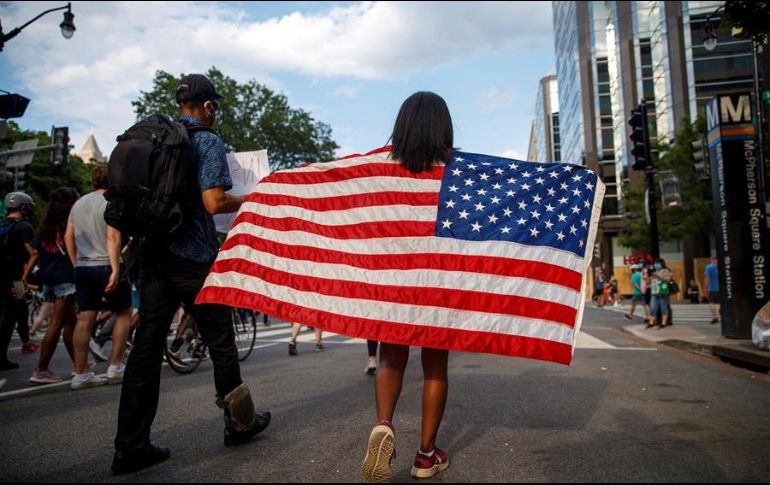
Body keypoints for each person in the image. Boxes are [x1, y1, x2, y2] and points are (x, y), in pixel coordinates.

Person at [112, 74, 270, 476]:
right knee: (220, 340)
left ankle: (130, 445)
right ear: (208, 107)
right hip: (193, 257)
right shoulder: (206, 141)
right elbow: (214, 202)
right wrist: (253, 197)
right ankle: (239, 423)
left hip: (153, 256)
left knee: (146, 347)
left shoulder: (159, 138)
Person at [361, 92, 452, 483]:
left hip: (394, 283)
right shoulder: (459, 172)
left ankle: (384, 424)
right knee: (435, 368)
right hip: (436, 282)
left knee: (390, 361)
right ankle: (425, 456)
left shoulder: (380, 169)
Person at [65, 165, 133, 390]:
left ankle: (81, 372)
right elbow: (113, 236)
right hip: (105, 263)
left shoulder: (79, 203)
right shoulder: (110, 201)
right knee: (124, 312)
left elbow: (68, 236)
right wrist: (115, 267)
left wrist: (76, 262)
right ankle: (115, 366)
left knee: (85, 318)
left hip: (83, 266)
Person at [24, 188, 80, 384]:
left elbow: (33, 248)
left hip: (48, 278)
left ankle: (79, 365)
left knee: (70, 322)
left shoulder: (47, 225)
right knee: (56, 324)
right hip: (66, 278)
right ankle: (40, 369)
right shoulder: (70, 223)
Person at [0, 192, 39, 370]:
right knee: (9, 317)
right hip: (13, 279)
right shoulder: (24, 227)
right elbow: (34, 253)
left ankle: (25, 341)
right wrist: (24, 277)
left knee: (15, 312)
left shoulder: (2, 224)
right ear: (24, 207)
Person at [647, 258, 673, 329]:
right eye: (655, 264)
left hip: (662, 292)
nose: (656, 265)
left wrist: (659, 276)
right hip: (654, 292)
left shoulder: (666, 271)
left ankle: (663, 323)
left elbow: (668, 279)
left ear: (662, 264)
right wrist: (649, 278)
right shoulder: (654, 272)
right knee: (652, 308)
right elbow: (649, 283)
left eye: (658, 263)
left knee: (663, 307)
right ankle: (651, 323)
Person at [704, 256, 720, 324]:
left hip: (713, 289)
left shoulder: (709, 267)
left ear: (711, 260)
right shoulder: (721, 266)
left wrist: (706, 287)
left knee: (711, 303)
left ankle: (715, 317)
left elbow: (707, 278)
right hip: (721, 289)